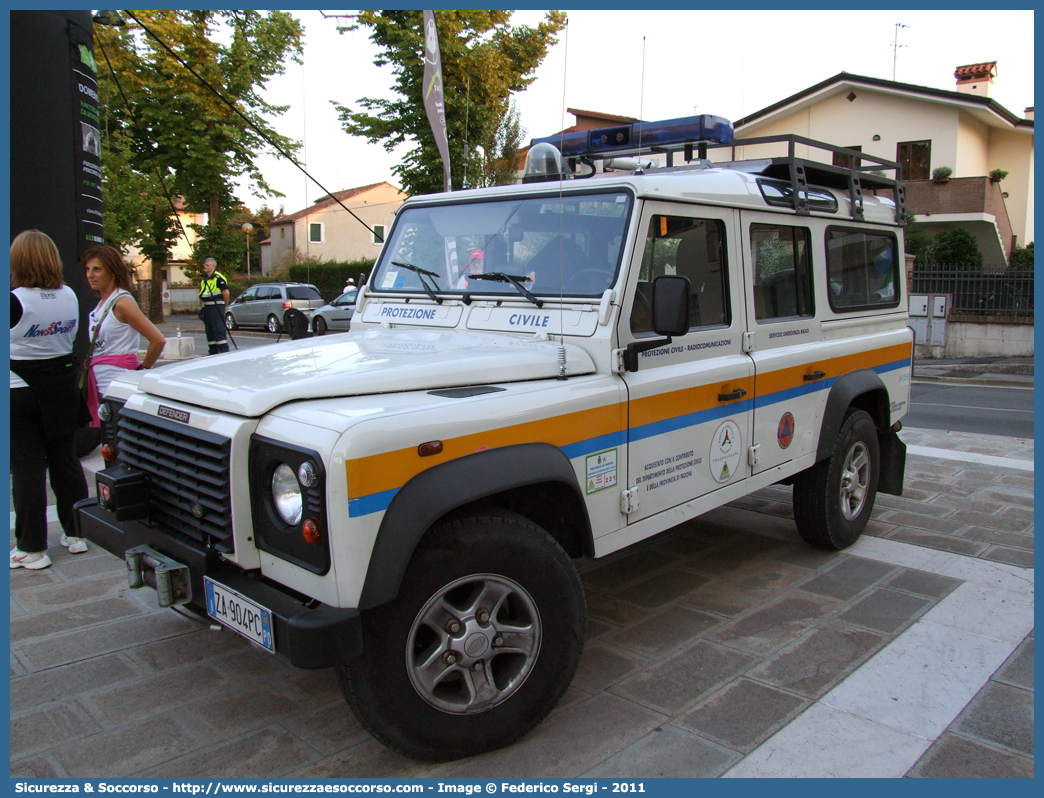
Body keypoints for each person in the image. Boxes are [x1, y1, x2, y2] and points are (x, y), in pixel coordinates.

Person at [10, 230, 90, 569]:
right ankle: (78, 532)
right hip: (62, 385)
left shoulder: (15, 300)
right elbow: (72, 337)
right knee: (65, 460)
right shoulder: (70, 295)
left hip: (20, 389)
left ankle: (31, 548)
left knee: (27, 467)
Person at [82, 245, 166, 427]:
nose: (90, 275)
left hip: (118, 384)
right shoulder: (103, 303)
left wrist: (143, 370)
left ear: (113, 272)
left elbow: (158, 340)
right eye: (88, 269)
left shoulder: (122, 303)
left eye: (97, 269)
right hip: (104, 383)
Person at [199, 257, 230, 354]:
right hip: (207, 308)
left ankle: (223, 352)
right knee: (210, 332)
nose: (205, 266)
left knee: (218, 330)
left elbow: (226, 293)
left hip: (216, 307)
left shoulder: (218, 278)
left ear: (213, 266)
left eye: (207, 265)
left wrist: (225, 306)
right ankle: (213, 352)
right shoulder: (205, 279)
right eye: (204, 264)